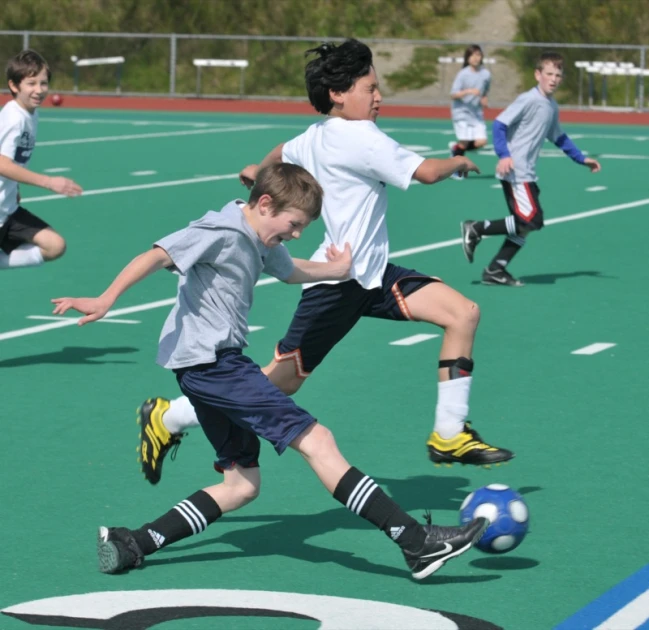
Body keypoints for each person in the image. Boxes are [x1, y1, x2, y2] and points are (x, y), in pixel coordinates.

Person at [51, 163, 488, 579]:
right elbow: (157, 255)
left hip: (208, 368)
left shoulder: (263, 240)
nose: (295, 235)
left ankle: (134, 543)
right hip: (213, 365)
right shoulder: (220, 230)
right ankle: (415, 541)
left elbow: (291, 270)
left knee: (241, 485)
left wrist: (336, 270)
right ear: (264, 204)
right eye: (293, 225)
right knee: (318, 441)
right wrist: (106, 298)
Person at [137, 38, 514, 488]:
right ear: (337, 93)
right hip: (337, 283)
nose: (379, 97)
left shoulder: (314, 137)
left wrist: (258, 174)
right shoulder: (361, 136)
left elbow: (281, 151)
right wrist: (458, 161)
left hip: (371, 274)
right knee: (277, 385)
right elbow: (427, 173)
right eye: (370, 88)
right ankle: (169, 416)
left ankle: (450, 434)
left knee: (462, 313)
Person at [461, 50, 601, 287]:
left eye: (558, 75)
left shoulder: (551, 106)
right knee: (531, 220)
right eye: (549, 73)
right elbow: (499, 125)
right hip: (515, 172)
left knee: (527, 225)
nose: (553, 79)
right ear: (538, 74)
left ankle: (496, 269)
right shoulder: (529, 99)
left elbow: (559, 137)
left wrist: (581, 158)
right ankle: (476, 228)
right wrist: (504, 155)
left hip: (527, 173)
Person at [0, 50, 82, 270]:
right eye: (31, 83)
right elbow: (1, 163)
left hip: (6, 209)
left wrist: (13, 185)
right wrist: (49, 181)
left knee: (54, 245)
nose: (39, 90)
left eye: (43, 83)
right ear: (15, 86)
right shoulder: (14, 118)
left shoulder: (30, 114)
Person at [449, 45, 491, 180]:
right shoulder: (463, 74)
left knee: (482, 142)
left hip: (476, 112)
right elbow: (453, 94)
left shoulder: (486, 74)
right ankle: (455, 169)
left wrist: (484, 99)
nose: (476, 58)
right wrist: (468, 91)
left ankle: (455, 149)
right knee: (465, 142)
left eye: (478, 55)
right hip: (461, 111)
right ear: (467, 58)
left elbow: (485, 91)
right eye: (472, 55)